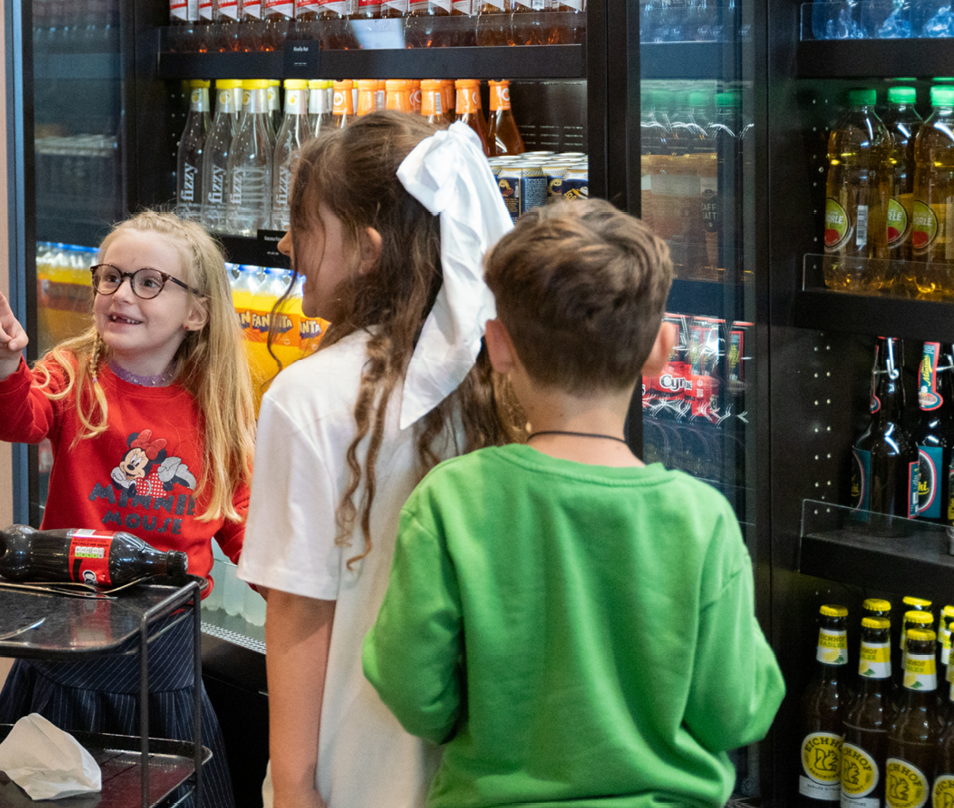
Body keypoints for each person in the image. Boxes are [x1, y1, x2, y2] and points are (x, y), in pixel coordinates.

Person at [365, 199, 784, 807]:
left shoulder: (452, 502)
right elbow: (736, 712)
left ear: (499, 346)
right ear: (661, 349)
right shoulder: (701, 519)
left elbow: (413, 691)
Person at [235, 113, 524, 808]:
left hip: (352, 767)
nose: (285, 245)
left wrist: (296, 786)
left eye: (303, 226)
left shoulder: (307, 397)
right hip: (476, 771)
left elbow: (300, 615)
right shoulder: (498, 384)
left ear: (367, 250)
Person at [0, 210, 255, 808]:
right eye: (111, 277)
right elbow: (13, 418)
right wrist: (4, 363)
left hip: (166, 664)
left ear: (197, 312)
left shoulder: (215, 406)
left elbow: (243, 520)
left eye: (149, 282)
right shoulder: (74, 372)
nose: (122, 294)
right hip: (64, 655)